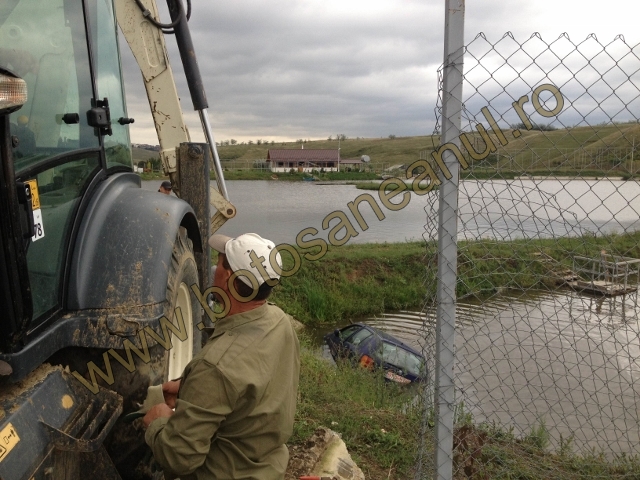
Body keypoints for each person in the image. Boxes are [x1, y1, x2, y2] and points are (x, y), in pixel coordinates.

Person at [143, 233, 300, 480]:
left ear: (228, 278)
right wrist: (195, 390)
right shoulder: (281, 322)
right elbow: (252, 383)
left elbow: (179, 459)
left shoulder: (215, 366)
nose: (214, 269)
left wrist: (157, 423)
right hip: (269, 469)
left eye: (220, 262)